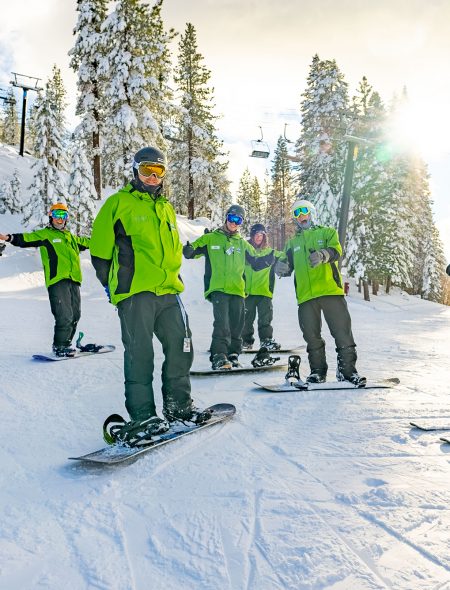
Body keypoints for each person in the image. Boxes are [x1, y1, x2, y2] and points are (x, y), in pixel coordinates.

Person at [89, 146, 207, 446]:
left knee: (182, 348)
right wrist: (112, 286)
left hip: (169, 291)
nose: (153, 177)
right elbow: (100, 252)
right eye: (146, 171)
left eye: (159, 172)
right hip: (135, 293)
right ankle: (143, 416)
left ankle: (178, 407)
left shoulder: (166, 208)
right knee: (140, 355)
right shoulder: (118, 204)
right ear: (135, 171)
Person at [275, 197, 365, 386]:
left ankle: (347, 372)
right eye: (297, 214)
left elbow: (336, 251)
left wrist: (324, 255)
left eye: (304, 211)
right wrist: (281, 267)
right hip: (306, 297)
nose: (301, 216)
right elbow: (286, 263)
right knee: (311, 336)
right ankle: (317, 372)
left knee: (342, 333)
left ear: (312, 213)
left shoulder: (327, 232)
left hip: (330, 291)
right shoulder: (292, 243)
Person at [183, 205, 275, 370]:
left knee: (237, 324)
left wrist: (269, 261)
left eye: (238, 220)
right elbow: (194, 250)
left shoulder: (242, 244)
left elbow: (256, 261)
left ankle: (233, 354)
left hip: (238, 290)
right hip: (219, 289)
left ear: (241, 223)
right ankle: (219, 355)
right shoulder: (211, 238)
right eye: (232, 218)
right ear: (226, 217)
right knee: (222, 323)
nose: (234, 222)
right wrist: (188, 250)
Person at [0, 203, 90, 357]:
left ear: (67, 219)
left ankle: (66, 344)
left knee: (75, 315)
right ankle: (59, 346)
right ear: (51, 217)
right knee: (64, 315)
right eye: (57, 215)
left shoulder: (71, 238)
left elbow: (91, 243)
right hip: (57, 280)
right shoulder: (45, 235)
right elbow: (26, 239)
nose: (60, 219)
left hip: (73, 280)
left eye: (63, 216)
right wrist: (8, 237)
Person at [242, 223, 284, 351]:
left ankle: (266, 341)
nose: (259, 237)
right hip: (248, 292)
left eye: (261, 235)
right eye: (256, 235)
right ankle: (245, 341)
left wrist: (284, 264)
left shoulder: (271, 252)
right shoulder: (245, 251)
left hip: (264, 292)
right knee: (246, 320)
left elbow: (286, 256)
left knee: (265, 319)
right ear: (252, 236)